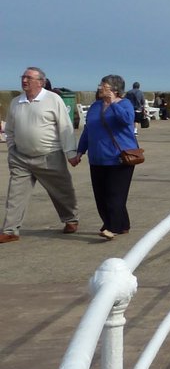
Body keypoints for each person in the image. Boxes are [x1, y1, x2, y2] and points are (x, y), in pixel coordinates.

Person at [0, 67, 79, 243]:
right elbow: (10, 129)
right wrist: (12, 148)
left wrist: (71, 152)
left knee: (62, 191)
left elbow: (65, 127)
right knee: (15, 195)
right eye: (23, 77)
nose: (24, 80)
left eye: (29, 77)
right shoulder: (16, 102)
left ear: (41, 81)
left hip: (49, 156)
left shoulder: (53, 99)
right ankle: (10, 230)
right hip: (20, 158)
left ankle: (71, 219)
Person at [69, 75, 137, 240]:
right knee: (101, 196)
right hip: (97, 158)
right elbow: (88, 130)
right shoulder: (95, 106)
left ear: (115, 89)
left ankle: (112, 227)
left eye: (104, 86)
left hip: (119, 158)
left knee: (115, 195)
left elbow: (127, 120)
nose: (100, 88)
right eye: (100, 85)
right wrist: (79, 151)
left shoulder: (124, 104)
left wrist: (113, 103)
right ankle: (123, 224)